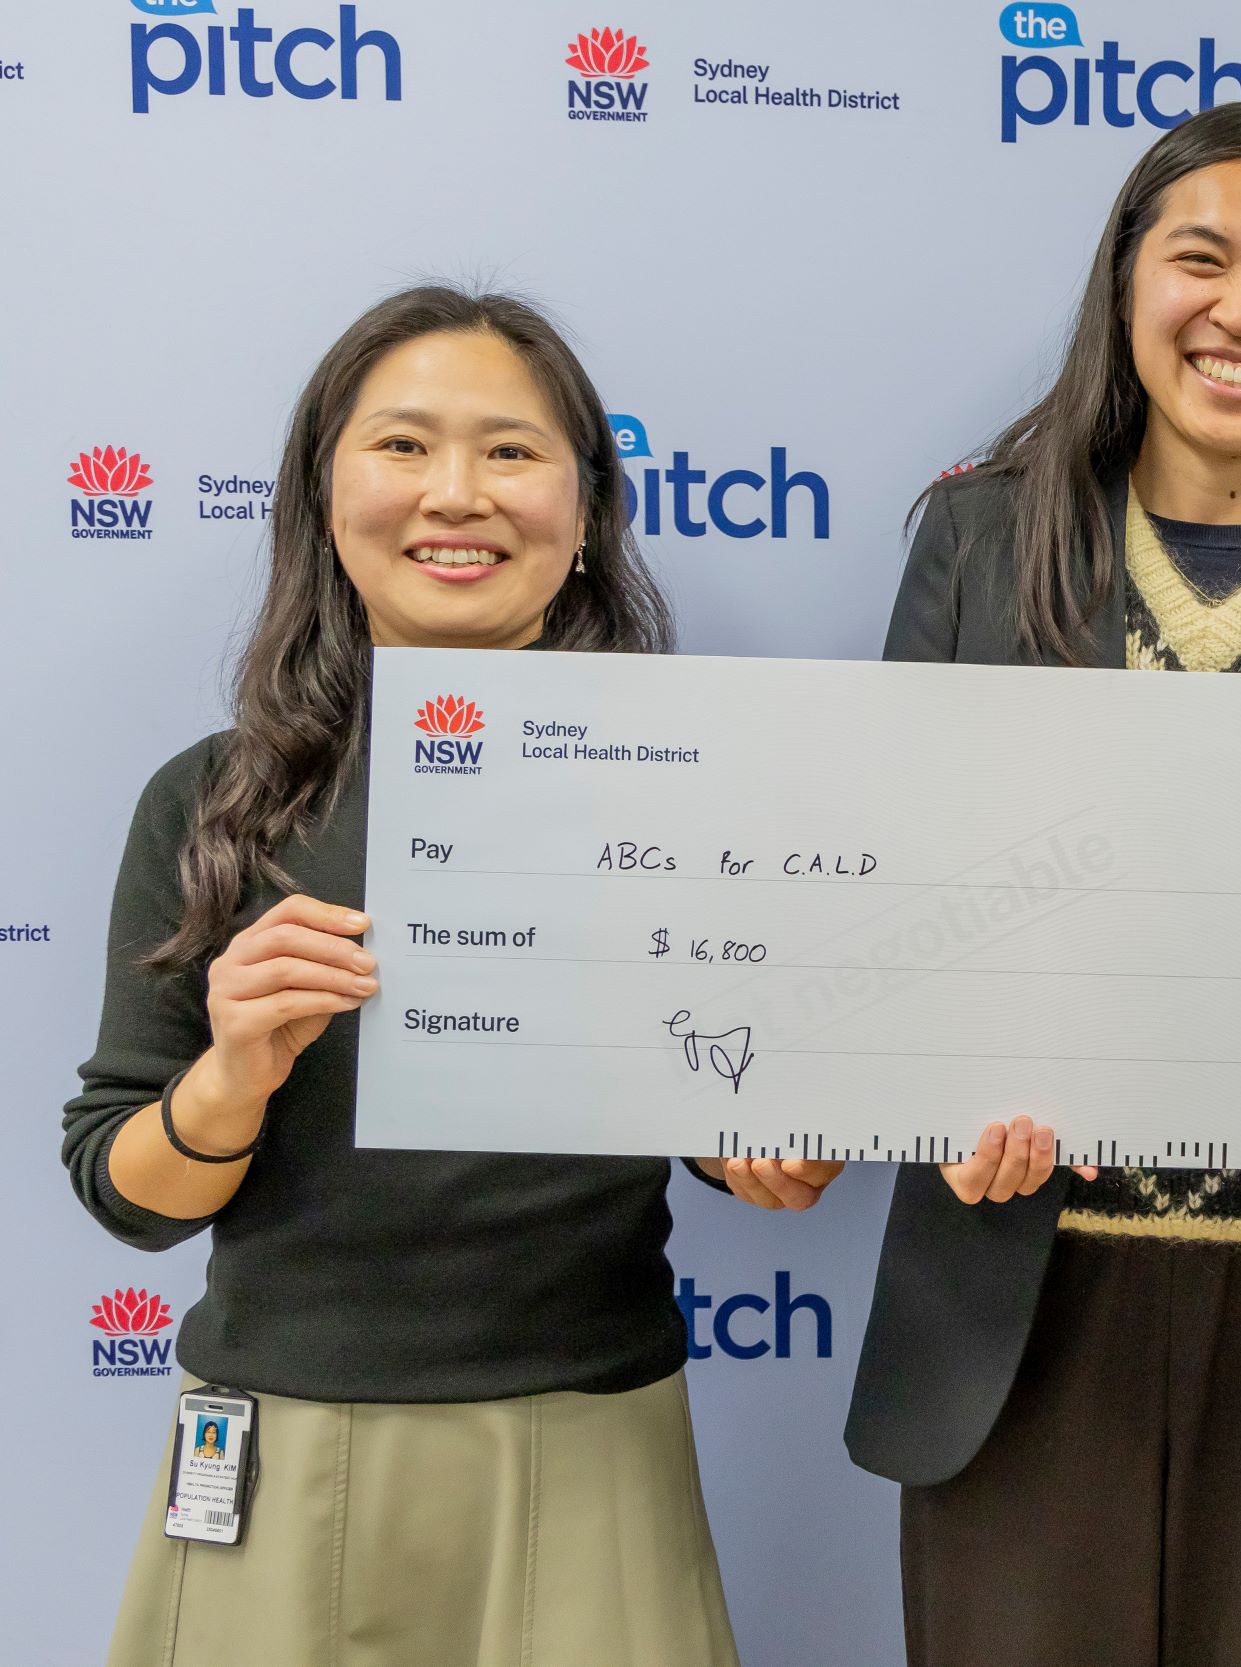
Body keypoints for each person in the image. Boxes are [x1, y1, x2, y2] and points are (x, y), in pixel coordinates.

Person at [61, 284, 834, 1667]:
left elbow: (740, 1112)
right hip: (280, 1446)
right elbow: (124, 1193)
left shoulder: (706, 783)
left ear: (588, 508)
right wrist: (229, 1079)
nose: (456, 494)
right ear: (323, 493)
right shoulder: (212, 804)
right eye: (404, 445)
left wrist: (773, 1146)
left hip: (591, 1438)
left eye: (513, 451)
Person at [848, 101, 1241, 1667]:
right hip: (1021, 1307)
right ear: (1126, 286)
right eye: (1200, 257)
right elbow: (879, 894)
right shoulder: (978, 546)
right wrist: (936, 1092)